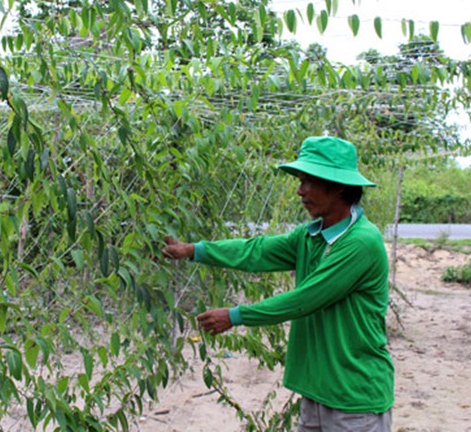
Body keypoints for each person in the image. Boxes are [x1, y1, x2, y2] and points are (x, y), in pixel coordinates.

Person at [162, 136, 394, 432]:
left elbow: (305, 299)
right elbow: (256, 251)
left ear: (337, 186)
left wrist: (235, 316)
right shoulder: (311, 235)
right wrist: (194, 250)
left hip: (354, 396)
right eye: (300, 181)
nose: (300, 190)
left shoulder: (360, 242)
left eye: (309, 181)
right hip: (318, 389)